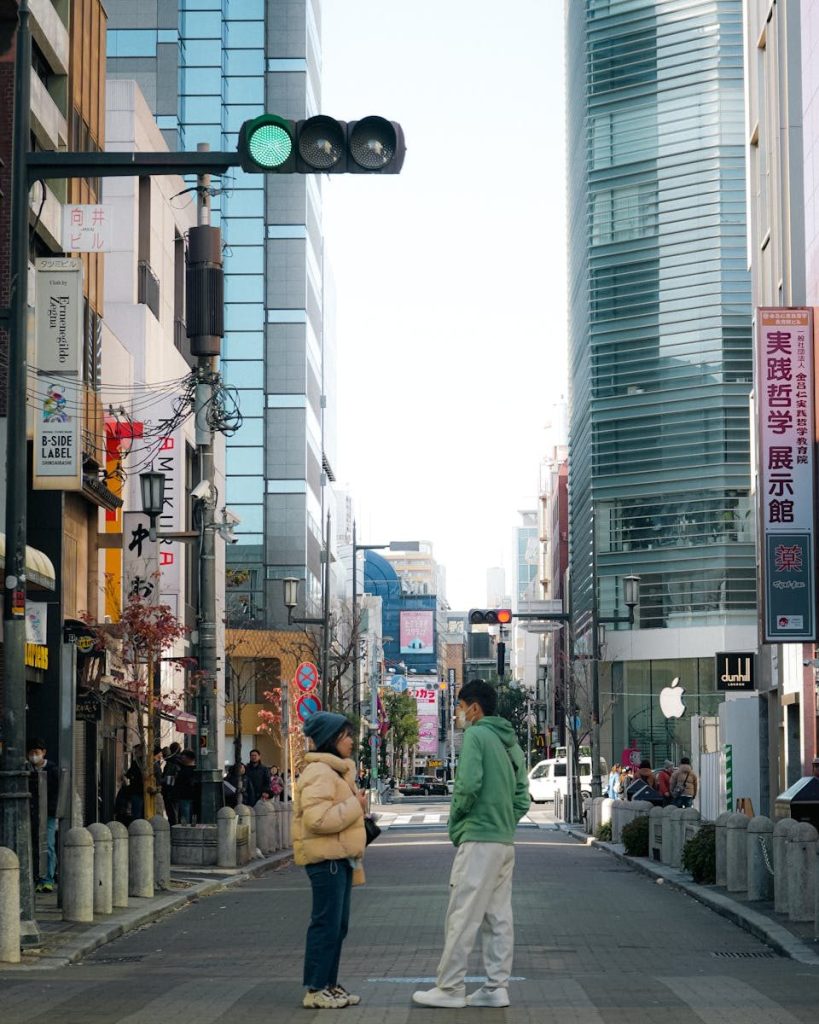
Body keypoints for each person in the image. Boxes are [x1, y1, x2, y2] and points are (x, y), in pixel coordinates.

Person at [413, 679, 529, 1010]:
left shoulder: (476, 735)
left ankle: (450, 987)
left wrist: (457, 821)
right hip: (504, 840)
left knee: (462, 913)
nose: (459, 715)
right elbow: (523, 796)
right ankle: (496, 987)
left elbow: (467, 785)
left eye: (461, 708)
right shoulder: (510, 742)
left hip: (478, 837)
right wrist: (504, 819)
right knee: (498, 917)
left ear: (475, 708)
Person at [294, 711, 367, 1010]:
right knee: (326, 925)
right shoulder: (319, 773)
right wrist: (355, 806)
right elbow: (317, 820)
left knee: (338, 926)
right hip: (327, 860)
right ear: (330, 739)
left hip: (340, 858)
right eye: (346, 735)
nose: (351, 741)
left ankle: (329, 985)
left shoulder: (335, 772)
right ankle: (315, 988)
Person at [27, 739, 59, 893]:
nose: (34, 756)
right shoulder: (27, 769)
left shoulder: (52, 769)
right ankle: (37, 878)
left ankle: (47, 879)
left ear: (43, 753)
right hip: (31, 813)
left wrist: (52, 810)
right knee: (34, 845)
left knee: (48, 845)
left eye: (36, 753)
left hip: (48, 814)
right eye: (31, 753)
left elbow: (57, 792)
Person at [161, 742, 184, 825]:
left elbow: (168, 779)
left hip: (170, 792)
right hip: (179, 792)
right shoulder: (182, 761)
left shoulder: (171, 762)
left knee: (172, 814)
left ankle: (174, 828)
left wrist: (161, 780)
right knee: (178, 813)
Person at [174, 749, 199, 824]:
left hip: (184, 796)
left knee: (185, 818)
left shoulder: (183, 770)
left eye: (183, 757)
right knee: (192, 818)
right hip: (193, 796)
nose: (182, 758)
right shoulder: (197, 770)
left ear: (188, 758)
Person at [125, 745, 145, 821]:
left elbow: (129, 774)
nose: (134, 754)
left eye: (136, 752)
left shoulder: (136, 763)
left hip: (136, 791)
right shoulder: (147, 762)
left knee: (137, 815)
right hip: (143, 792)